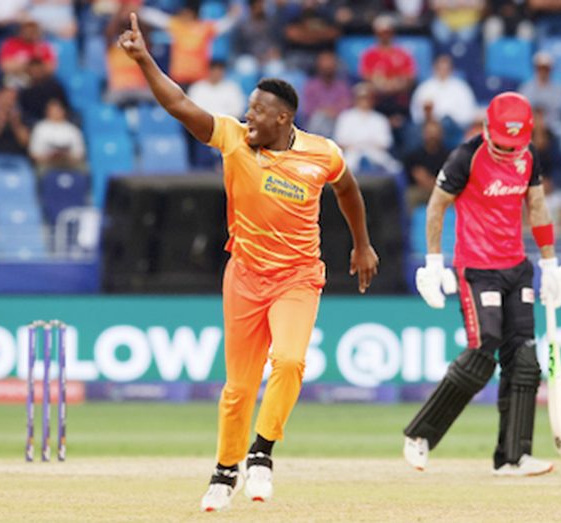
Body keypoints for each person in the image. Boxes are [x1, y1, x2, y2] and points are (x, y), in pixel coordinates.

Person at [118, 12, 380, 513]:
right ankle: (224, 472)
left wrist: (361, 244)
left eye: (257, 111)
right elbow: (179, 104)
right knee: (237, 389)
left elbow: (348, 190)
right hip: (244, 276)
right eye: (247, 109)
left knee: (289, 361)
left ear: (283, 118)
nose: (248, 117)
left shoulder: (322, 154)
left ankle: (262, 453)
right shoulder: (233, 139)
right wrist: (144, 58)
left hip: (299, 278)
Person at [403, 92, 561, 477]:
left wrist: (551, 263)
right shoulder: (466, 157)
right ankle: (420, 435)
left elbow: (538, 207)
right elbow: (436, 206)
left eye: (516, 145)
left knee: (525, 360)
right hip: (477, 268)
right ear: (486, 130)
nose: (509, 153)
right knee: (484, 348)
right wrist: (433, 262)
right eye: (502, 145)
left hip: (516, 266)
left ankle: (513, 457)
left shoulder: (528, 157)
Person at [333, 83, 402, 175]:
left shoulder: (380, 119)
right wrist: (358, 146)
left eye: (367, 98)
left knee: (395, 168)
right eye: (361, 98)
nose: (364, 101)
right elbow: (340, 142)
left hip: (375, 153)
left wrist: (367, 145)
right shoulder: (346, 117)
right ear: (356, 99)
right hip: (352, 153)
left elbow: (385, 143)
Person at [409, 55, 478, 129]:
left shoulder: (461, 87)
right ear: (434, 69)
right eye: (440, 68)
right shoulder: (424, 88)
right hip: (430, 127)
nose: (443, 71)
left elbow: (469, 111)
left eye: (446, 68)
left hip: (456, 127)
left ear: (451, 69)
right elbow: (416, 112)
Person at [519, 51, 561, 142]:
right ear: (535, 69)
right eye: (540, 68)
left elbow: (559, 109)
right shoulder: (526, 88)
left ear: (550, 69)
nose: (543, 71)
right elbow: (523, 110)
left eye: (546, 68)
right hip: (531, 128)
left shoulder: (559, 89)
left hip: (554, 127)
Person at [301, 50, 354, 138]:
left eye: (330, 66)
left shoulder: (342, 86)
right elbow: (307, 109)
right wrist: (325, 111)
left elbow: (346, 106)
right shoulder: (311, 86)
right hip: (317, 125)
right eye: (325, 66)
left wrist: (333, 112)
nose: (327, 69)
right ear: (319, 67)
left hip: (337, 122)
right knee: (319, 118)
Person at [402, 119, 449, 211]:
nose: (432, 136)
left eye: (435, 133)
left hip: (441, 191)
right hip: (421, 190)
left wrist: (432, 182)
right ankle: (412, 224)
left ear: (441, 134)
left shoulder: (449, 155)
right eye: (429, 133)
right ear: (423, 134)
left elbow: (450, 178)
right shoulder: (414, 156)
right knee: (410, 195)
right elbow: (416, 176)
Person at [28, 99, 86, 173]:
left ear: (63, 111)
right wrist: (49, 156)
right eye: (52, 110)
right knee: (39, 170)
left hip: (68, 162)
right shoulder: (40, 128)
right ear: (47, 112)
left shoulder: (73, 130)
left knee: (84, 168)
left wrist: (65, 156)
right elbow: (33, 153)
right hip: (47, 162)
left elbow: (80, 154)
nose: (55, 113)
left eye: (57, 110)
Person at [0, 18, 56, 89]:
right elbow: (5, 65)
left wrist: (26, 65)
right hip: (17, 79)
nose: (30, 32)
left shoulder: (43, 46)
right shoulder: (11, 44)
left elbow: (50, 67)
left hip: (38, 81)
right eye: (27, 29)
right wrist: (30, 64)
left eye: (33, 29)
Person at [0, 87, 31, 157]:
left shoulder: (22, 118)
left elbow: (25, 142)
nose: (8, 102)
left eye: (12, 99)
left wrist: (16, 124)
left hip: (17, 157)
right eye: (6, 98)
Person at [18, 58, 70, 125]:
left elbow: (64, 106)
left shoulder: (54, 87)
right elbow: (24, 112)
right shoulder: (25, 91)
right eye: (33, 70)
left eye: (38, 69)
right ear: (28, 71)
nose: (36, 72)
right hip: (34, 123)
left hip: (55, 119)